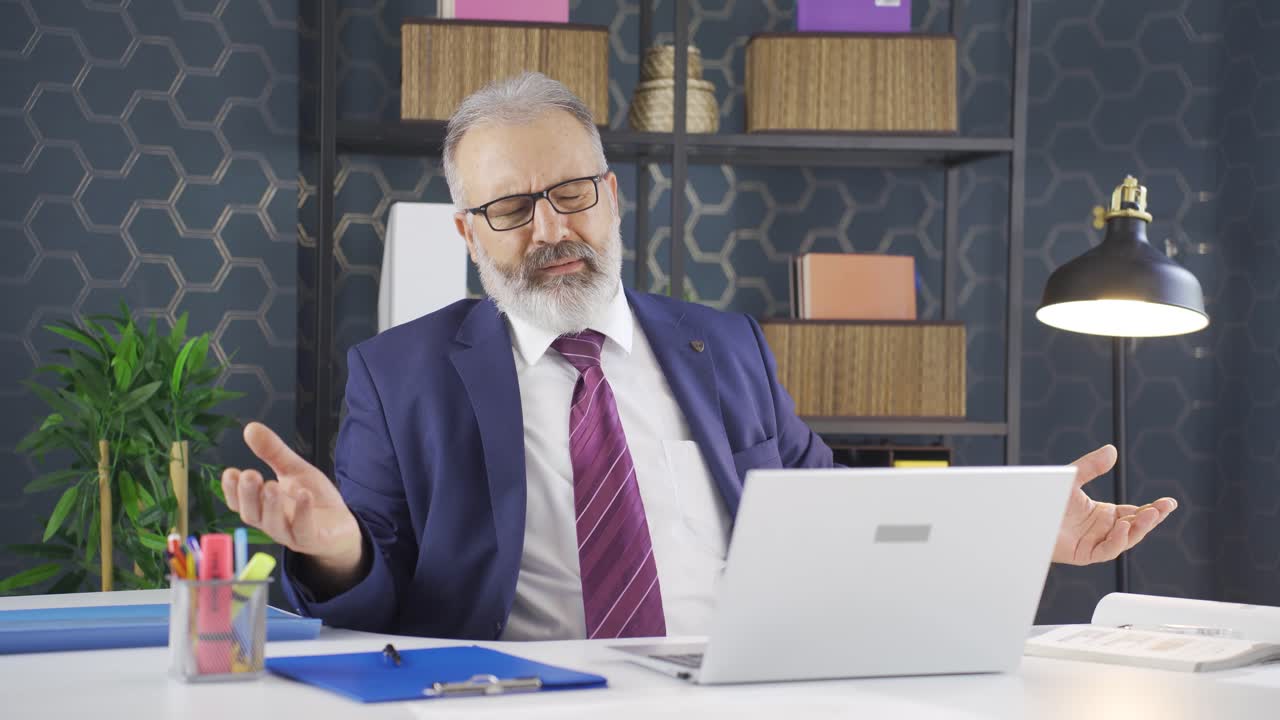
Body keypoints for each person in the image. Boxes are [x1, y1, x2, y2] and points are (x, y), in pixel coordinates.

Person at [220, 72, 1177, 641]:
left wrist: (1014, 531)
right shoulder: (399, 377)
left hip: (733, 686)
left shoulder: (725, 346)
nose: (552, 227)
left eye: (572, 192)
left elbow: (835, 511)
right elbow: (376, 595)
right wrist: (338, 548)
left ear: (614, 196)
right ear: (470, 235)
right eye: (512, 208)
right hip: (519, 696)